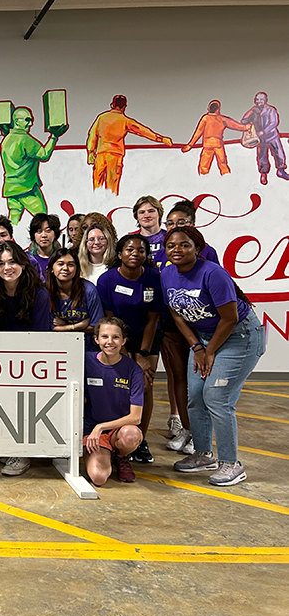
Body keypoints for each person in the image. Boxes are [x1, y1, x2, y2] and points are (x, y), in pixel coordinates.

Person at [162, 227, 265, 486]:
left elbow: (229, 318)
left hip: (238, 338)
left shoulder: (213, 273)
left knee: (217, 398)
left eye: (184, 245)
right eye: (171, 245)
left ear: (197, 248)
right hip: (205, 339)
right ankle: (203, 454)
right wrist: (197, 348)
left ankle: (232, 463)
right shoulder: (167, 274)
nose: (177, 250)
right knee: (195, 397)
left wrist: (209, 352)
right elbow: (176, 314)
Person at [0, 241, 52, 477]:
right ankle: (3, 445)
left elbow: (40, 337)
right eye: (2, 264)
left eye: (12, 262)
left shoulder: (39, 293)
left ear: (23, 264)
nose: (7, 268)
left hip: (30, 359)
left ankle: (22, 452)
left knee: (24, 402)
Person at [156, 200, 219, 452]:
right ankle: (186, 429)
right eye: (169, 224)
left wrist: (203, 345)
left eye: (180, 223)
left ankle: (201, 436)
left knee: (200, 385)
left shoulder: (208, 253)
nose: (174, 228)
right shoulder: (165, 254)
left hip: (203, 329)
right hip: (174, 325)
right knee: (179, 378)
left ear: (192, 225)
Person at [97, 234, 162, 465]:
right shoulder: (107, 280)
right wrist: (123, 353)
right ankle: (116, 436)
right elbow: (109, 318)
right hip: (116, 336)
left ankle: (140, 440)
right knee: (120, 385)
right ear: (120, 253)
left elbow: (153, 319)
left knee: (145, 385)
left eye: (141, 250)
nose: (135, 254)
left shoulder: (154, 277)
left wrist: (142, 356)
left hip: (146, 337)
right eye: (130, 250)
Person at [83, 317, 144, 485]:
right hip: (92, 431)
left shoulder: (134, 370)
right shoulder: (85, 361)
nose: (110, 342)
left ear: (124, 340)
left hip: (118, 430)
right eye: (104, 337)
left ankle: (121, 456)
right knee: (98, 477)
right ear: (96, 339)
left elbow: (136, 417)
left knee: (131, 435)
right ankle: (104, 453)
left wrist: (101, 426)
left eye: (116, 337)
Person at [86, 94, 173, 196]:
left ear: (112, 105)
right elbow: (142, 131)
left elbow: (92, 135)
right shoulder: (125, 121)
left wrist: (91, 152)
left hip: (101, 154)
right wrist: (161, 139)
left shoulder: (101, 118)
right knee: (112, 187)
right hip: (115, 155)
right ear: (124, 107)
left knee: (97, 185)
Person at [0, 106, 61, 226]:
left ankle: (9, 244)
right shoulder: (25, 139)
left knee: (13, 223)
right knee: (43, 221)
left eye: (31, 120)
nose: (30, 123)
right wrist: (54, 136)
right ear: (16, 121)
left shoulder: (6, 140)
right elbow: (44, 155)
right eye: (27, 120)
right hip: (26, 187)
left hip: (11, 188)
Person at [46, 248, 103, 340]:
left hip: (86, 345)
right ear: (52, 268)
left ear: (77, 269)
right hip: (55, 343)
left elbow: (97, 327)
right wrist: (77, 326)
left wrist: (64, 326)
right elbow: (50, 327)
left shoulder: (89, 290)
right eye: (60, 264)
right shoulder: (45, 292)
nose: (65, 268)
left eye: (70, 265)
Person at [182, 100, 250, 176]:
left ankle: (202, 179)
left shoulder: (205, 118)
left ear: (208, 109)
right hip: (218, 145)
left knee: (204, 166)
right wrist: (247, 127)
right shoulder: (222, 119)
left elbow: (198, 132)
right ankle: (227, 179)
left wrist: (190, 145)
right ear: (218, 109)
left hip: (208, 145)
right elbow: (237, 126)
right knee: (223, 164)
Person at [240, 91, 289, 185]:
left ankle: (281, 170)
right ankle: (263, 174)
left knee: (278, 153)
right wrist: (249, 112)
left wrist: (264, 131)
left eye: (261, 100)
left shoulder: (271, 110)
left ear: (265, 100)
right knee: (262, 157)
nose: (259, 102)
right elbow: (244, 121)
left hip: (272, 136)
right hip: (260, 139)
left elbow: (274, 123)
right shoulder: (254, 111)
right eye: (257, 100)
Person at [133, 196, 166, 261]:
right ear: (136, 216)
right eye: (142, 212)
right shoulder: (131, 242)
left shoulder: (170, 238)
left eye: (151, 211)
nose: (146, 216)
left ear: (159, 214)